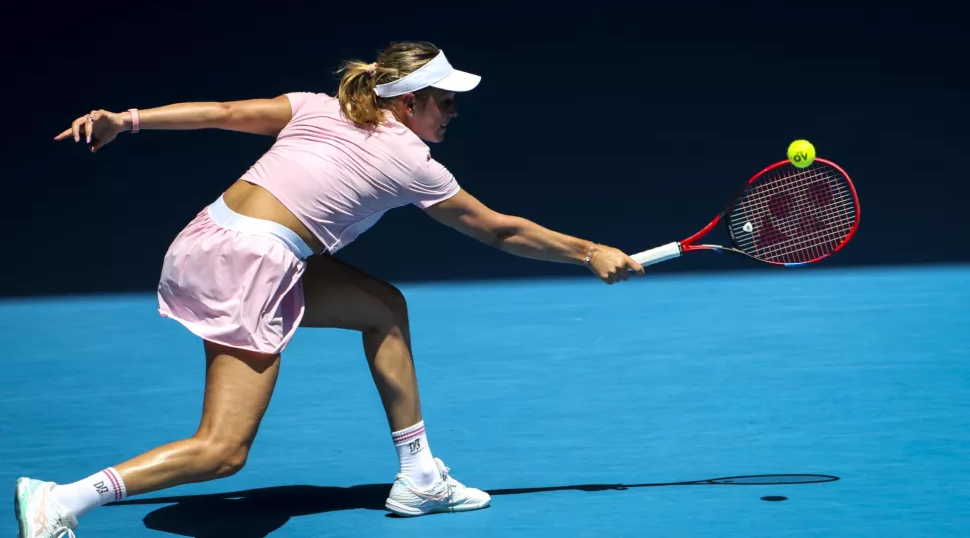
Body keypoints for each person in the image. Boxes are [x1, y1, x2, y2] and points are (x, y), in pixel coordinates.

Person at [15, 41, 645, 537]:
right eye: (442, 101)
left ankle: (420, 476)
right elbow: (498, 230)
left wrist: (127, 121)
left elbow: (226, 114)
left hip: (205, 240)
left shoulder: (319, 106)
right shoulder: (411, 162)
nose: (452, 111)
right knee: (223, 451)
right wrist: (589, 251)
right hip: (251, 267)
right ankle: (64, 499)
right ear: (406, 103)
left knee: (382, 309)